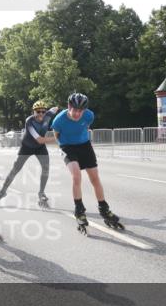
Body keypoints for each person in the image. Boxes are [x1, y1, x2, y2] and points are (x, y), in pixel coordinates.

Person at [50, 92, 122, 234]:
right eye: (75, 110)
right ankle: (79, 211)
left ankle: (104, 209)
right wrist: (64, 147)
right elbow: (56, 135)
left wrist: (80, 138)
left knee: (95, 178)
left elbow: (85, 127)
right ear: (69, 106)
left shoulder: (89, 115)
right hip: (67, 147)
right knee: (76, 176)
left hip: (84, 145)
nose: (78, 113)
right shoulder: (59, 120)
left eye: (81, 110)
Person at [0, 100, 58, 208]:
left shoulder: (48, 115)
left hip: (40, 148)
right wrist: (58, 138)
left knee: (46, 168)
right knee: (15, 169)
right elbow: (40, 140)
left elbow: (56, 109)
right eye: (38, 111)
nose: (40, 114)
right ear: (33, 112)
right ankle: (2, 192)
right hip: (27, 147)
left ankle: (41, 193)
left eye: (43, 111)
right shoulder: (29, 121)